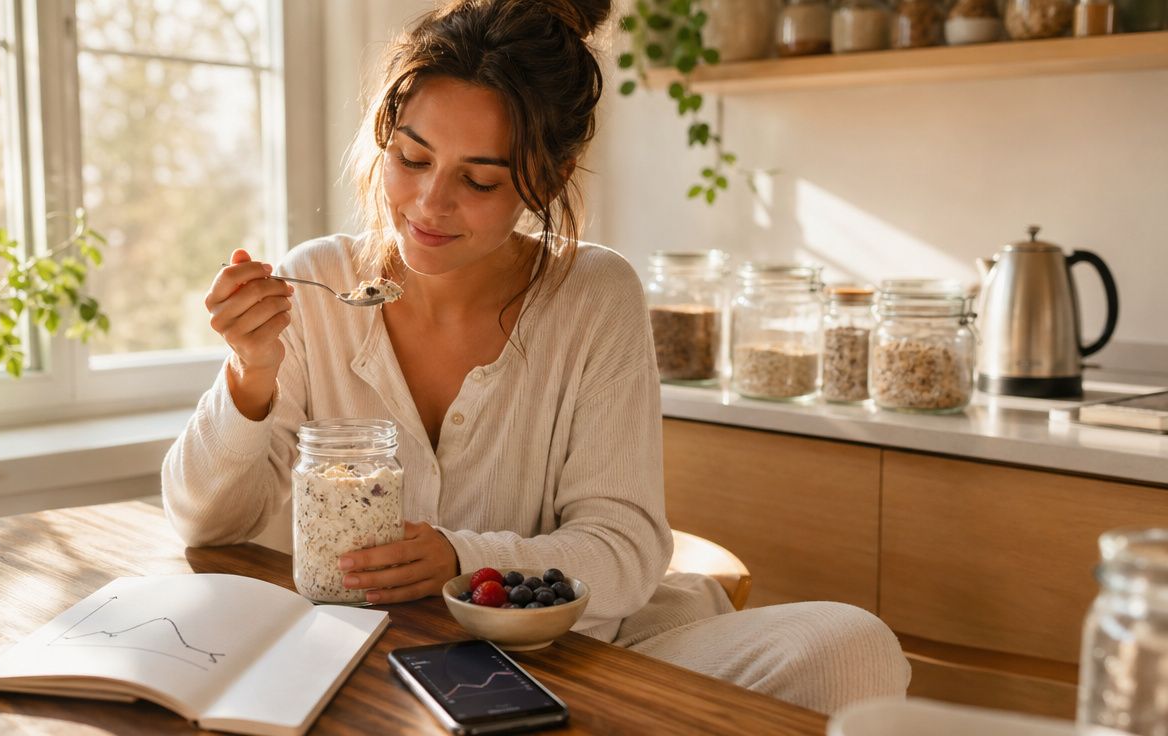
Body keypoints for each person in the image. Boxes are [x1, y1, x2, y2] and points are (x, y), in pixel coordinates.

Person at [162, 0, 909, 714]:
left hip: (569, 658)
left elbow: (622, 549)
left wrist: (462, 558)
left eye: (478, 180)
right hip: (366, 657)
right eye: (412, 158)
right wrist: (250, 375)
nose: (428, 203)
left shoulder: (594, 296)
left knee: (850, 646)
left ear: (548, 178)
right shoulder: (320, 282)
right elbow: (205, 523)